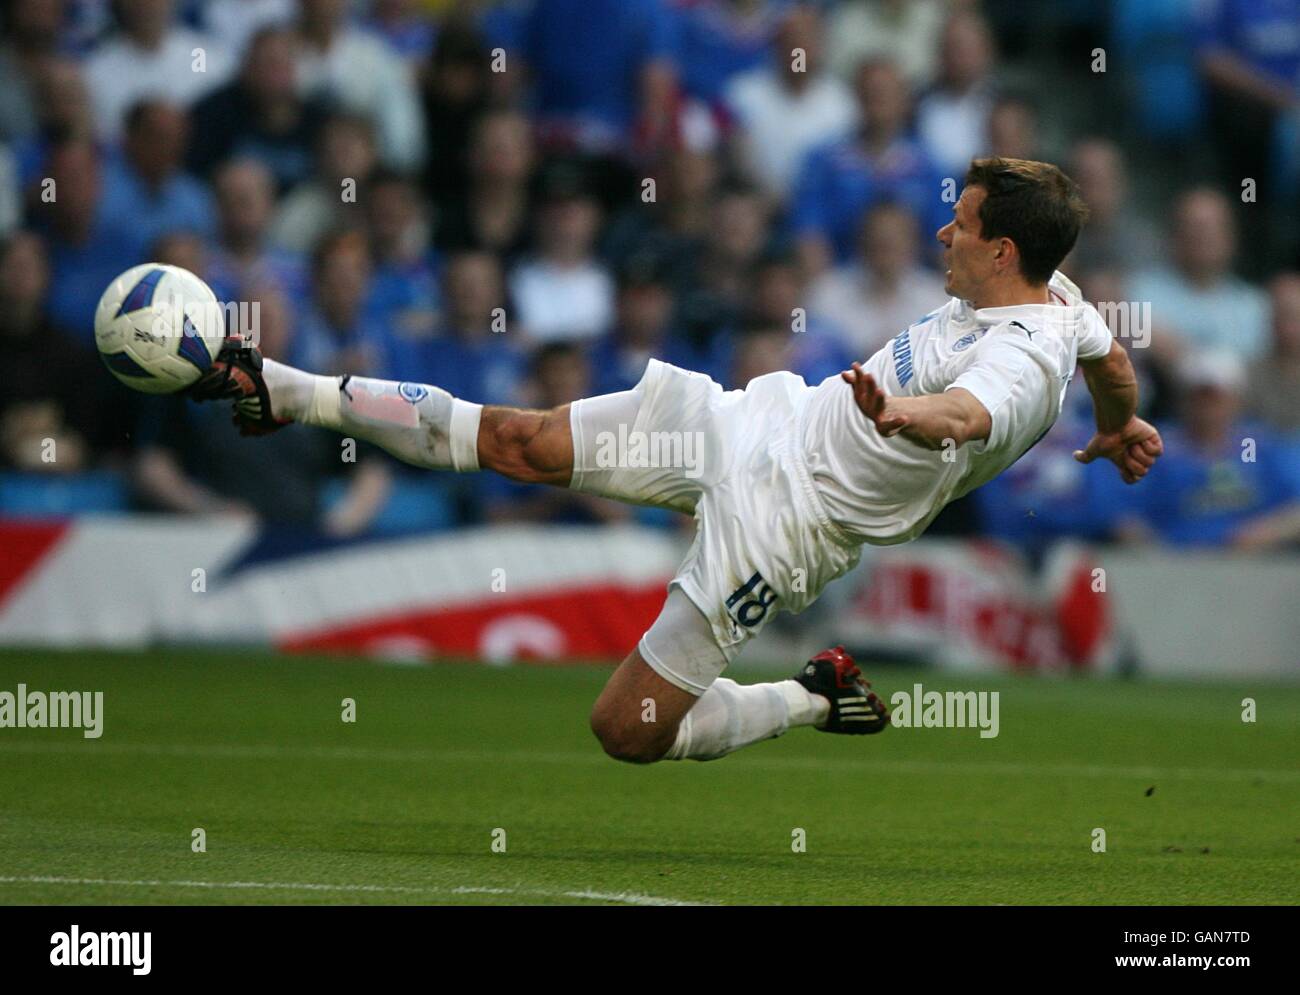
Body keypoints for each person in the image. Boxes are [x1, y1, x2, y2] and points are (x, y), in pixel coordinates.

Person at [183, 157, 1163, 763]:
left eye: (962, 219)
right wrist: (1120, 424)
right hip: (755, 420)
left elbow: (965, 412)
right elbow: (1109, 354)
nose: (944, 229)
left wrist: (904, 411)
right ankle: (286, 388)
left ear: (1000, 253)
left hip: (783, 526)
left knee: (627, 730)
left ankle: (810, 695)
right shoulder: (1055, 295)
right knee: (520, 437)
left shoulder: (1021, 359)